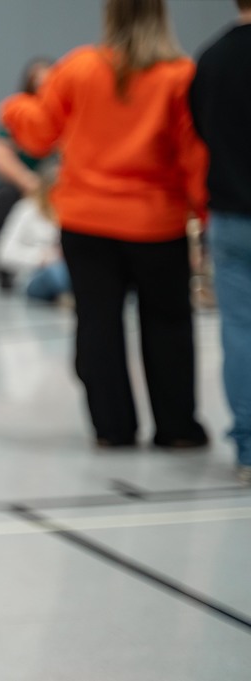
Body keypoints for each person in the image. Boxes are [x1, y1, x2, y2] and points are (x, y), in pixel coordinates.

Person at [0, 0, 209, 450]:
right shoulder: (180, 74)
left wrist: (14, 106)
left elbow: (37, 133)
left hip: (87, 221)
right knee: (169, 325)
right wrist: (205, 215)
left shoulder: (79, 68)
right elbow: (195, 157)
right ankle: (176, 429)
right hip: (158, 222)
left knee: (97, 322)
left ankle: (112, 429)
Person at [189, 0, 251, 482]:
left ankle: (249, 447)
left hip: (229, 215)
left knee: (238, 330)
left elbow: (200, 131)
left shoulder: (210, 59)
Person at [0, 57, 55, 290]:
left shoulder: (63, 113)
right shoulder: (16, 109)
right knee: (6, 195)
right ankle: (6, 270)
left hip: (54, 185)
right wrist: (28, 180)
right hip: (23, 182)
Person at [0, 163, 72, 304]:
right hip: (33, 274)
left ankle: (68, 294)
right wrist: (41, 257)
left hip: (69, 268)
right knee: (56, 272)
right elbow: (2, 253)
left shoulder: (73, 214)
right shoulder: (27, 210)